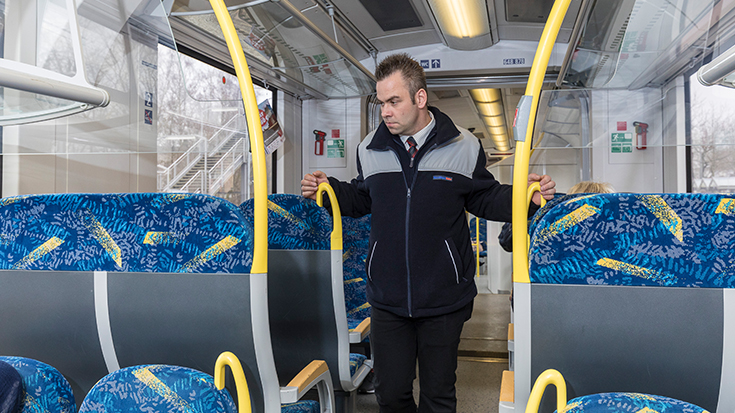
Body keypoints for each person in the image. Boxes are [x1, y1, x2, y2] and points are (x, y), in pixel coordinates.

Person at [301, 53, 555, 413]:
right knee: (391, 395)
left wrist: (525, 198)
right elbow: (361, 199)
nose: (386, 111)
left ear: (420, 99)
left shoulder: (463, 145)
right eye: (381, 102)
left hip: (444, 298)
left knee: (438, 397)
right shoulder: (369, 149)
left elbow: (484, 198)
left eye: (394, 101)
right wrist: (329, 191)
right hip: (387, 298)